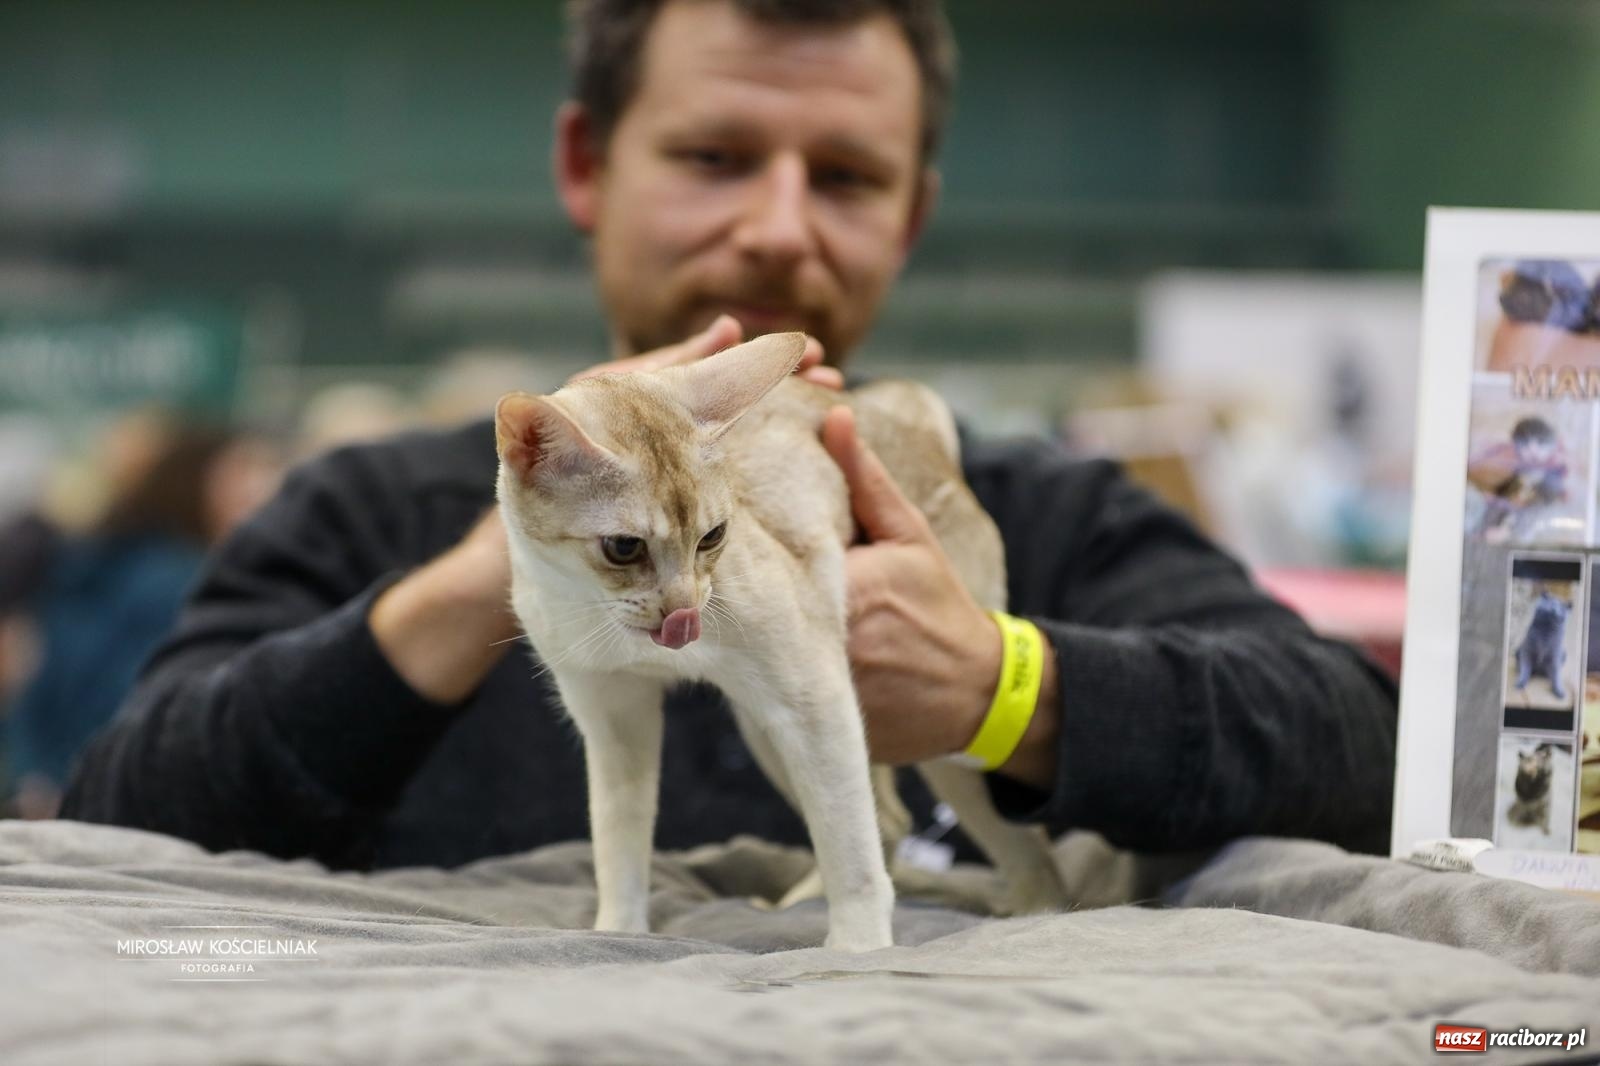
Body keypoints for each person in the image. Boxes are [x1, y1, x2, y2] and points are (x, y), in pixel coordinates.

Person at [61, 0, 1397, 872]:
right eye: (713, 157)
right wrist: (497, 580)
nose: (776, 225)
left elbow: (1363, 742)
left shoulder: (1028, 511)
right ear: (588, 166)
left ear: (913, 218)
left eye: (847, 177)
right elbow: (117, 817)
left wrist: (1007, 685)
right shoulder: (368, 512)